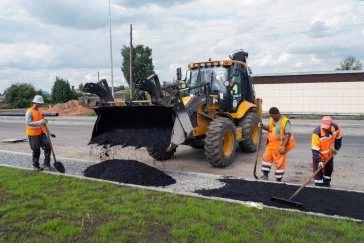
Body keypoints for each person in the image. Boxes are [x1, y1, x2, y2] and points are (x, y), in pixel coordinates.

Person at [259, 107, 296, 181]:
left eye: (273, 116)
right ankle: (265, 176)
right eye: (271, 116)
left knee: (279, 163)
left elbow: (288, 134)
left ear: (278, 114)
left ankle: (278, 179)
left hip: (279, 146)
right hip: (270, 145)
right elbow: (269, 129)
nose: (272, 117)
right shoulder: (272, 120)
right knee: (266, 159)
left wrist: (283, 146)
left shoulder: (285, 122)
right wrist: (262, 126)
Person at [311, 116, 342, 187]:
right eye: (323, 128)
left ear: (331, 126)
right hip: (318, 155)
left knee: (328, 172)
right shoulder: (317, 133)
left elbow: (339, 138)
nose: (324, 129)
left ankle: (327, 184)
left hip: (329, 154)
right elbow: (314, 150)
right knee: (318, 174)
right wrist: (319, 161)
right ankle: (318, 186)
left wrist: (336, 149)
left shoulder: (336, 128)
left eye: (326, 128)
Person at [25, 95, 51, 171]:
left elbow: (42, 121)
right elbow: (28, 123)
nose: (41, 105)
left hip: (41, 132)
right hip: (33, 134)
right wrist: (40, 122)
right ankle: (36, 165)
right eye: (40, 103)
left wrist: (45, 123)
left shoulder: (40, 111)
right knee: (36, 150)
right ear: (35, 103)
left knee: (48, 147)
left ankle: (46, 164)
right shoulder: (29, 112)